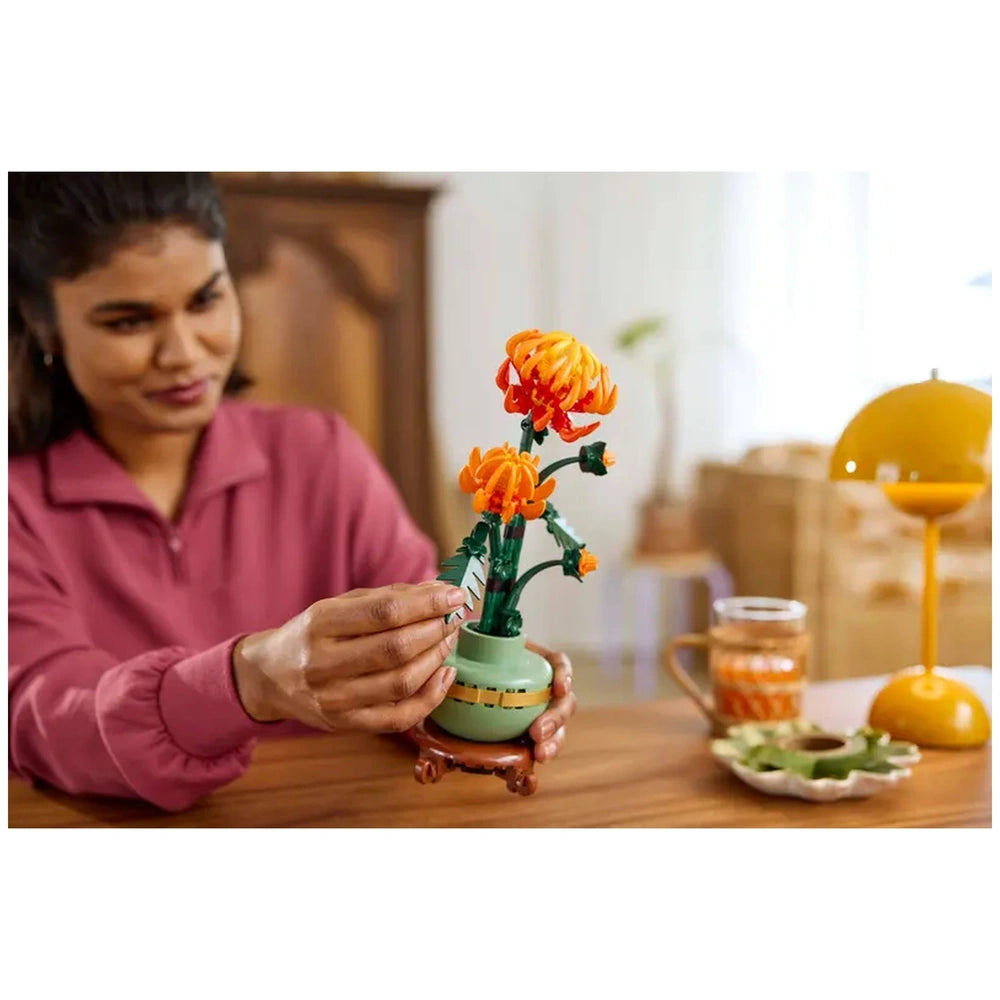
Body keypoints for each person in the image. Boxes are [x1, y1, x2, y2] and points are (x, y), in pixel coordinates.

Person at [8, 172, 576, 812]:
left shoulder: (321, 453)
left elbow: (429, 636)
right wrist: (247, 682)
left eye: (205, 301)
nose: (184, 352)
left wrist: (485, 682)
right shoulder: (16, 505)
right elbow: (41, 718)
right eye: (129, 321)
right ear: (41, 320)